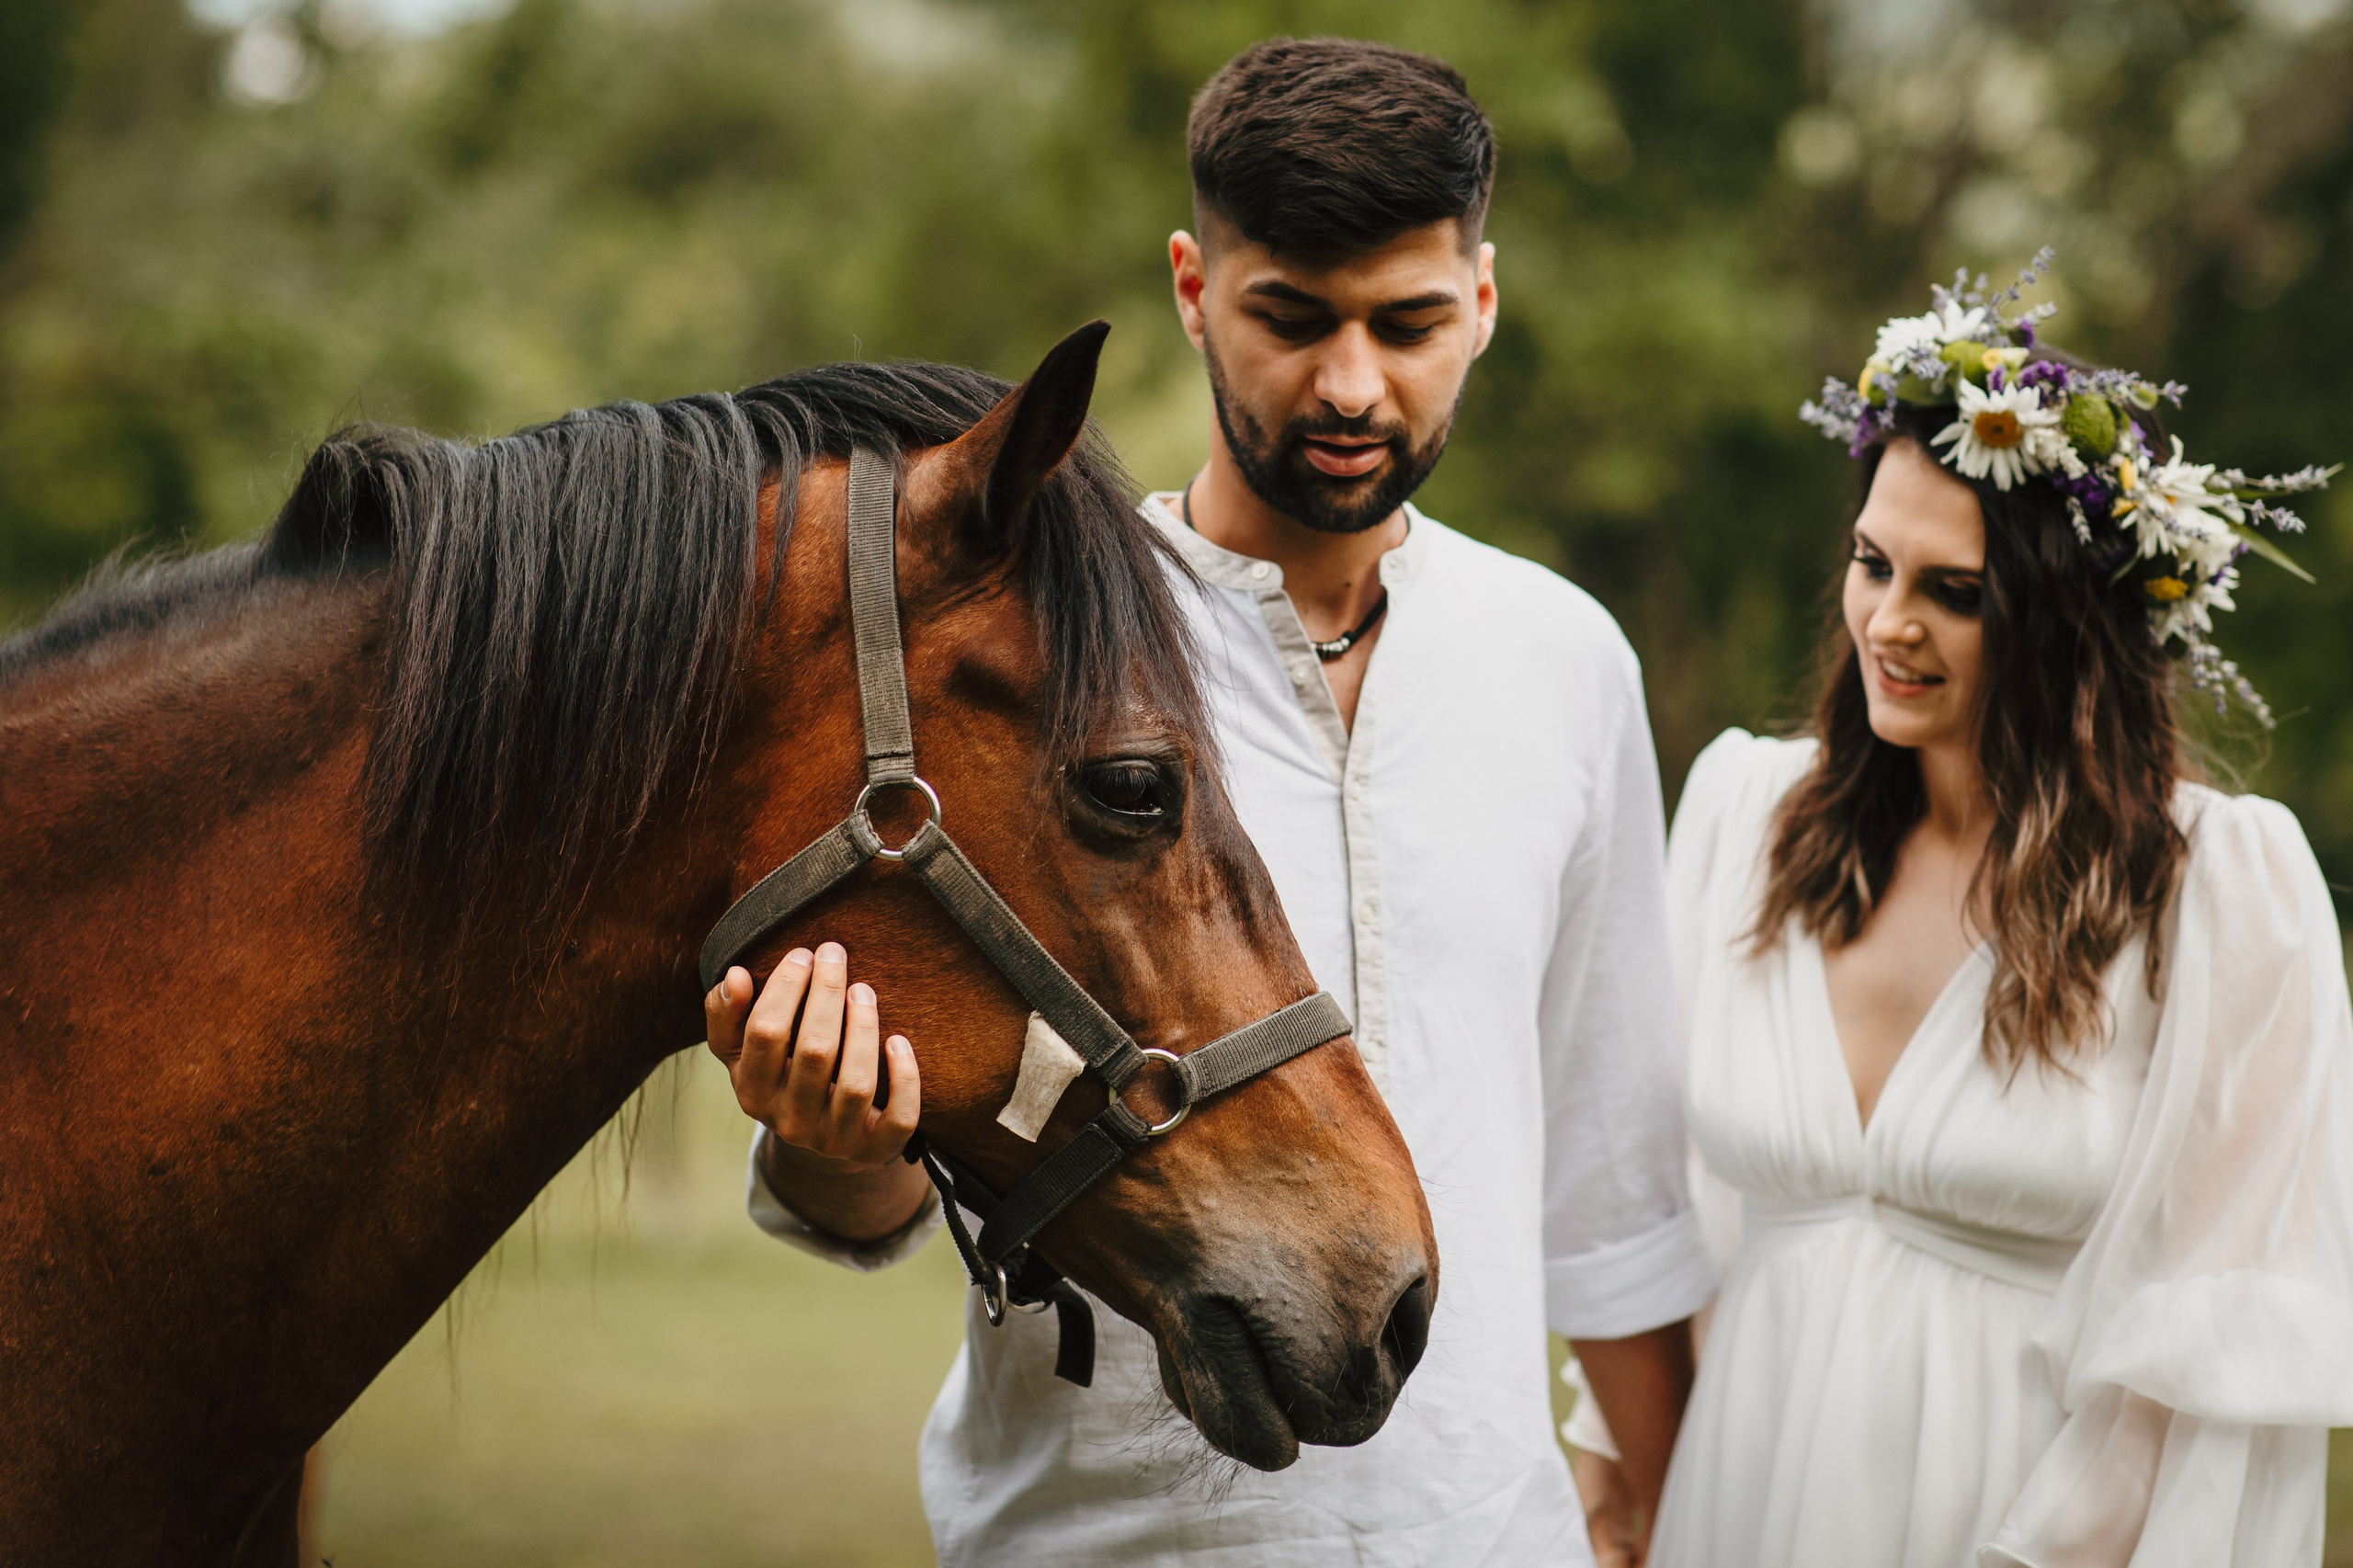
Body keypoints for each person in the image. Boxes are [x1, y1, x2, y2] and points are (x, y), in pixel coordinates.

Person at [701, 37, 1718, 1567]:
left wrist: (1674, 1511)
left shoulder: (1565, 660)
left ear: (1485, 303)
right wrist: (833, 1133)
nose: (1353, 383)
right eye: (1291, 319)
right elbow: (876, 1200)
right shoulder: (1041, 652)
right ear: (1192, 289)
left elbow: (1615, 1199)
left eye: (1411, 322)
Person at [1568, 260, 2353, 1565]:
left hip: (2017, 1524)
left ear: (2067, 624)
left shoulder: (2210, 888)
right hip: (1736, 1496)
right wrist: (1612, 1479)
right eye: (1873, 563)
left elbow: (2208, 1349)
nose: (1888, 621)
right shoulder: (1749, 815)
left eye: (1956, 590)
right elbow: (1659, 1211)